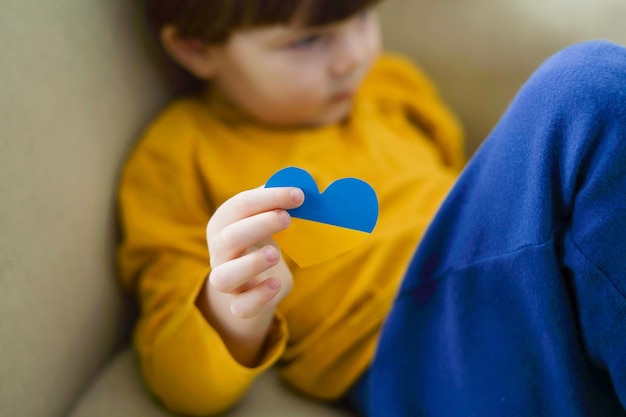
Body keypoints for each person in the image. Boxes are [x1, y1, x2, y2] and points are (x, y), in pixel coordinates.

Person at [117, 1, 626, 416]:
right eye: (307, 41)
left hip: (532, 296)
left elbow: (472, 200)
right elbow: (180, 382)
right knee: (592, 86)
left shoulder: (392, 85)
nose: (353, 57)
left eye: (361, 17)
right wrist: (230, 311)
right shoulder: (180, 154)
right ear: (195, 47)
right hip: (412, 353)